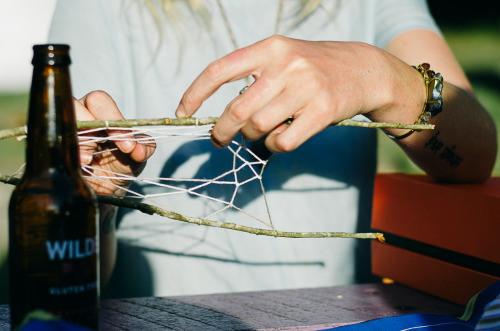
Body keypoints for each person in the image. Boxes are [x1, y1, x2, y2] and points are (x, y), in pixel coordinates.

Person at [48, 0, 497, 299]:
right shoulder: (103, 8)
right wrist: (92, 201)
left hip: (341, 318)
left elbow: (477, 153)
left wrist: (381, 76)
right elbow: (63, 282)